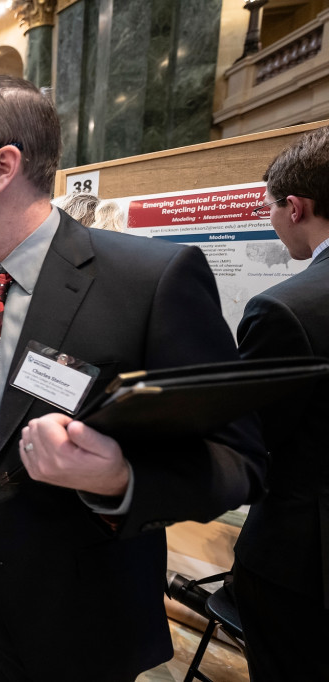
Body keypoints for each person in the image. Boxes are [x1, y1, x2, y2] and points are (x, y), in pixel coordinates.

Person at [0, 75, 266, 681]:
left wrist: (119, 477)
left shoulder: (149, 281)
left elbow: (239, 458)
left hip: (69, 613)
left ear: (3, 166)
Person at [232, 125, 329, 681]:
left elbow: (251, 439)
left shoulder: (287, 309)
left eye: (268, 208)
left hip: (304, 565)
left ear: (296, 207)